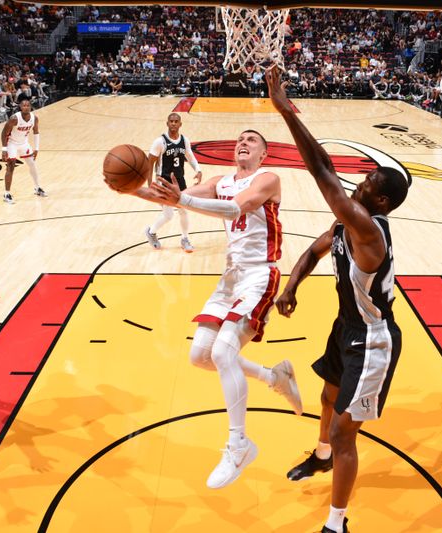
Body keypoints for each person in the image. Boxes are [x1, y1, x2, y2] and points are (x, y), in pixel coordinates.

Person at [117, 129, 303, 489]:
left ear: (264, 153)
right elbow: (171, 197)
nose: (243, 143)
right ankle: (273, 377)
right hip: (231, 277)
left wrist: (181, 201)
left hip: (260, 274)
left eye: (252, 140)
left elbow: (236, 207)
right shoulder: (221, 181)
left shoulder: (268, 178)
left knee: (223, 351)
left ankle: (239, 446)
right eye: (240, 140)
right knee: (200, 355)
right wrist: (128, 187)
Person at [267, 66, 409, 533]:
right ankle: (322, 459)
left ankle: (336, 522)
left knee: (346, 431)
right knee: (327, 398)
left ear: (383, 201)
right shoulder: (347, 227)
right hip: (346, 329)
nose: (358, 185)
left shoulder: (370, 230)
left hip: (373, 341)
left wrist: (286, 111)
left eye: (368, 185)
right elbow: (312, 250)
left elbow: (322, 170)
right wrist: (291, 287)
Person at [144, 113, 203, 252]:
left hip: (180, 181)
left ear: (180, 124)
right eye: (171, 121)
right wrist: (150, 185)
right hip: (163, 182)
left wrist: (198, 170)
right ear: (167, 123)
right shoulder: (160, 141)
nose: (174, 124)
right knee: (168, 215)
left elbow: (190, 156)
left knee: (184, 211)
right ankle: (151, 232)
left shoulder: (184, 140)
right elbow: (149, 163)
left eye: (176, 121)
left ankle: (185, 238)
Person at [1, 94, 47, 204]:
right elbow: (4, 133)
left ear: (30, 106)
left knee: (32, 164)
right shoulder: (14, 119)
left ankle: (37, 188)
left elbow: (36, 132)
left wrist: (36, 149)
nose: (26, 107)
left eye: (28, 105)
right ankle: (7, 194)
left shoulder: (34, 118)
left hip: (24, 143)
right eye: (23, 105)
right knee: (10, 168)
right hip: (12, 144)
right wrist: (4, 149)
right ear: (20, 107)